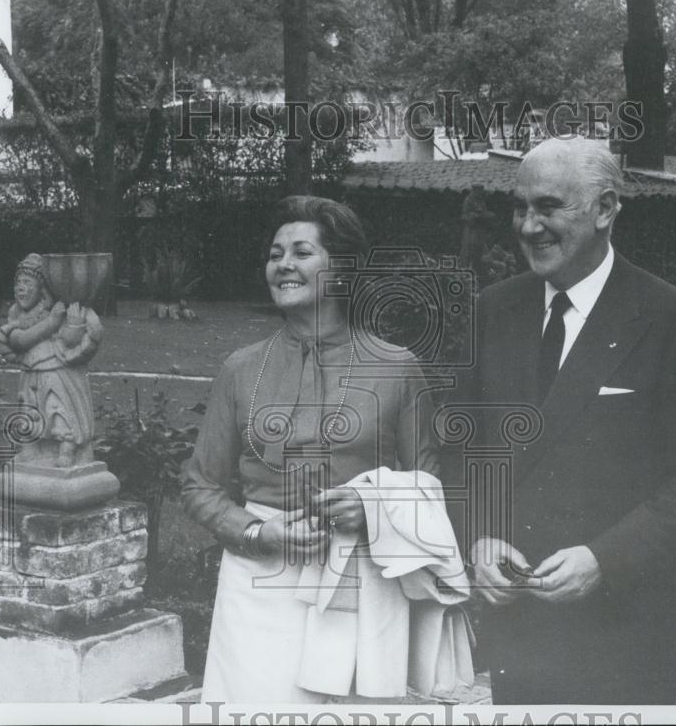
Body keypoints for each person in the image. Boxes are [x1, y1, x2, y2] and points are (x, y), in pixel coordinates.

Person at [448, 137, 676, 704]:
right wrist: (477, 536)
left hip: (624, 635)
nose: (529, 227)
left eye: (549, 207)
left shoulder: (673, 319)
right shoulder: (495, 309)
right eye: (520, 208)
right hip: (518, 631)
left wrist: (605, 559)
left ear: (606, 209)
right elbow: (461, 442)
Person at [181, 196, 472, 704]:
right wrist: (255, 532)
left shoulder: (397, 367)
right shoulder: (240, 368)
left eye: (301, 252)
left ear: (341, 269)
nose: (283, 265)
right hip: (257, 582)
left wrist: (374, 507)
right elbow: (199, 485)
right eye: (275, 254)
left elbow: (430, 482)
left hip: (361, 581)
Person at [0, 253, 103, 468]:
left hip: (55, 372)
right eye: (18, 283)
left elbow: (75, 340)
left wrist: (73, 324)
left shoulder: (57, 310)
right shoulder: (17, 314)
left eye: (28, 282)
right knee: (29, 410)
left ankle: (67, 447)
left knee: (58, 410)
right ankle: (30, 447)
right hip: (31, 372)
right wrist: (52, 323)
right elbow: (19, 340)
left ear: (42, 289)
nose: (20, 288)